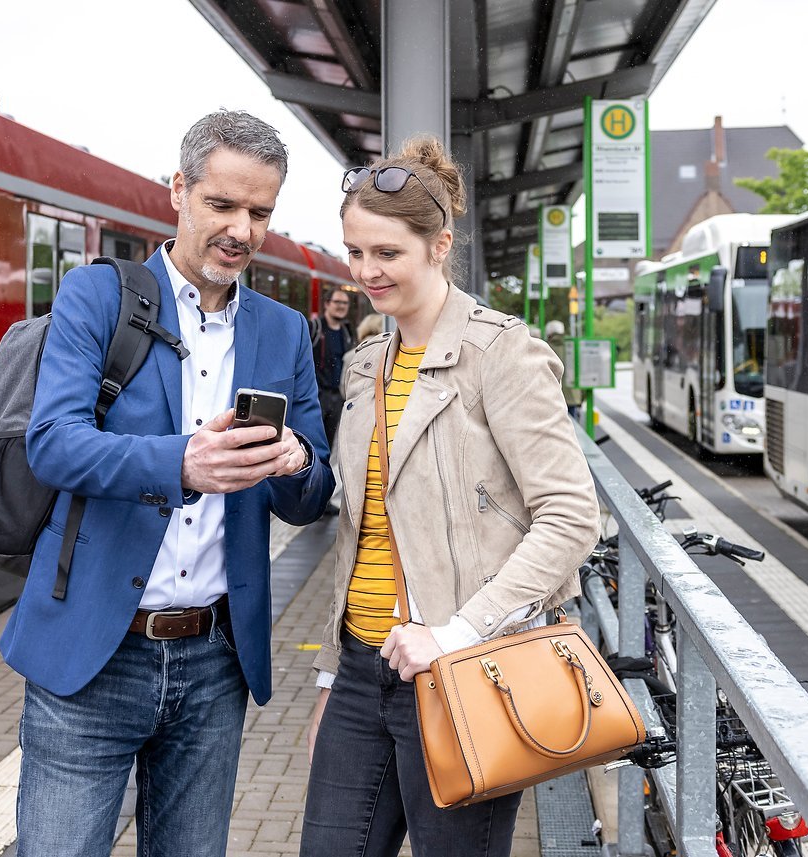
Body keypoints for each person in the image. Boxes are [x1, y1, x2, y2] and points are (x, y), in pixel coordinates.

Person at [0, 110, 333, 857]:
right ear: (178, 190)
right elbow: (52, 444)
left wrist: (296, 461)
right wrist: (182, 463)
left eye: (260, 212)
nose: (242, 230)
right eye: (223, 205)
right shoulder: (96, 297)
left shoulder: (283, 330)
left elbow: (311, 499)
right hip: (93, 649)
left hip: (216, 661)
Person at [301, 136, 599, 857]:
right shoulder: (366, 362)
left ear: (439, 245)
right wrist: (332, 673)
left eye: (387, 253)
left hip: (463, 672)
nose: (367, 271)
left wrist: (458, 631)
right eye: (354, 251)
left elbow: (571, 515)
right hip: (363, 668)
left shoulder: (502, 353)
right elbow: (365, 529)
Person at [308, 287, 352, 445]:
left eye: (345, 303)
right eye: (337, 302)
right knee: (313, 442)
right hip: (317, 396)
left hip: (338, 399)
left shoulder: (347, 332)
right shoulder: (314, 328)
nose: (341, 306)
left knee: (330, 445)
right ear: (327, 304)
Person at [544, 319, 584, 420]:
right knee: (573, 429)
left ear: (549, 333)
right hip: (573, 397)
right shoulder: (573, 347)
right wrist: (580, 397)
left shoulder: (545, 348)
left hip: (552, 398)